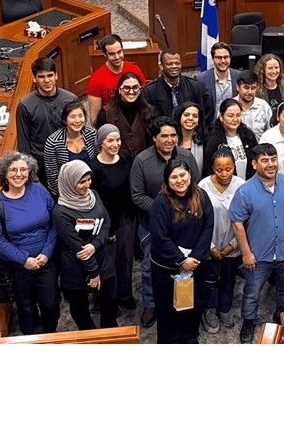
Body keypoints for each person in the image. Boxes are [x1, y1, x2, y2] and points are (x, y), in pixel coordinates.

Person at [230, 143, 284, 343]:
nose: (271, 164)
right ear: (255, 164)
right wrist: (246, 253)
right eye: (264, 160)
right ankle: (249, 321)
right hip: (257, 256)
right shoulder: (245, 191)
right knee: (252, 293)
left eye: (273, 159)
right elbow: (237, 224)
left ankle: (280, 319)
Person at [130, 117, 201, 328]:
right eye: (164, 136)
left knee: (183, 265)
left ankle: (183, 303)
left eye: (173, 135)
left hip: (184, 226)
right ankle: (151, 304)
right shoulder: (141, 161)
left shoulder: (186, 156)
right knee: (149, 267)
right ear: (154, 138)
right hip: (151, 226)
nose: (169, 140)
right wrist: (164, 211)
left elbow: (196, 187)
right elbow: (137, 195)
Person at [0, 152, 59, 335]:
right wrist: (24, 259)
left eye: (23, 169)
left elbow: (54, 223)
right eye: (13, 170)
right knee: (26, 308)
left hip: (46, 260)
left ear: (29, 171)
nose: (19, 174)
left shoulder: (39, 189)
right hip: (18, 266)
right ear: (4, 173)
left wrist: (46, 253)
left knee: (51, 304)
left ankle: (50, 335)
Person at [150, 160, 214, 343]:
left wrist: (194, 257)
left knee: (194, 304)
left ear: (190, 175)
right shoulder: (160, 203)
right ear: (167, 180)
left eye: (182, 175)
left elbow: (208, 227)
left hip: (195, 265)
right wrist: (181, 260)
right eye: (174, 177)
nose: (179, 180)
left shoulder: (201, 196)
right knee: (167, 307)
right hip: (167, 268)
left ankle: (190, 338)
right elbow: (159, 237)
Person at [52, 160, 115, 330]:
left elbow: (106, 222)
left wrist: (95, 245)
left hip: (103, 259)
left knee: (109, 302)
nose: (87, 185)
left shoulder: (94, 195)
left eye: (88, 180)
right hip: (77, 269)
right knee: (80, 309)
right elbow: (78, 247)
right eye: (81, 182)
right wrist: (93, 272)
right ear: (69, 182)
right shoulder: (60, 212)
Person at [197, 147, 245, 335]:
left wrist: (232, 246)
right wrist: (210, 247)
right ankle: (209, 310)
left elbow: (246, 219)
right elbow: (198, 219)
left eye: (228, 169)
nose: (224, 174)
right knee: (210, 280)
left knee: (228, 278)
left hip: (232, 245)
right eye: (219, 169)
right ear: (212, 168)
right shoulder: (203, 186)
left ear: (234, 167)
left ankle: (225, 308)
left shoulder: (241, 186)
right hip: (209, 245)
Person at [89, 124, 137, 310]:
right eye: (110, 140)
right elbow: (94, 199)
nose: (115, 144)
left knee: (125, 259)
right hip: (105, 222)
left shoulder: (125, 158)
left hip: (126, 218)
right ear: (101, 142)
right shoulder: (93, 167)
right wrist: (107, 228)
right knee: (107, 263)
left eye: (118, 140)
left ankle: (124, 294)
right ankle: (106, 300)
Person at [16, 57, 78, 185]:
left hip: (68, 157)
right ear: (34, 79)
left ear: (56, 76)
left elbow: (80, 130)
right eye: (41, 77)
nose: (47, 80)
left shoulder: (71, 100)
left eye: (50, 75)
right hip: (41, 163)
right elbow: (23, 143)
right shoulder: (25, 106)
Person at [142, 48, 213, 127]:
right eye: (169, 64)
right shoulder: (149, 91)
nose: (174, 66)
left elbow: (205, 114)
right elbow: (148, 120)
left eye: (177, 63)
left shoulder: (195, 86)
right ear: (161, 66)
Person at [87, 34, 146, 122]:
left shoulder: (135, 70)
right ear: (105, 54)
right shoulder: (96, 79)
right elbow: (94, 117)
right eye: (112, 54)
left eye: (119, 52)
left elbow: (144, 98)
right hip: (111, 121)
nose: (117, 57)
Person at [43, 100, 97, 196]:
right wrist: (71, 194)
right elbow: (53, 178)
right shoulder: (53, 142)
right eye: (73, 117)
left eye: (80, 116)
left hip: (91, 188)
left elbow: (97, 161)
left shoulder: (91, 134)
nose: (77, 120)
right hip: (66, 193)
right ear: (65, 120)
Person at [95, 71, 154, 159]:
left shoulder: (150, 111)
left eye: (135, 88)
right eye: (126, 88)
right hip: (116, 161)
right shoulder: (105, 113)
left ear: (140, 90)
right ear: (119, 89)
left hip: (144, 161)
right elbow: (100, 143)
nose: (131, 91)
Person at [203, 98, 258, 180]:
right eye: (230, 116)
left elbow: (256, 160)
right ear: (221, 117)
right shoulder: (213, 140)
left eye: (238, 115)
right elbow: (209, 168)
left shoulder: (248, 135)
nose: (235, 119)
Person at [196, 42, 240, 116]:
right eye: (219, 58)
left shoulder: (238, 76)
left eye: (226, 57)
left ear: (230, 58)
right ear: (213, 59)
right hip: (211, 123)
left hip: (234, 121)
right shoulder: (201, 79)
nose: (223, 61)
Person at [254, 53, 284, 123]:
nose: (274, 71)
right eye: (270, 68)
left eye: (276, 67)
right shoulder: (256, 88)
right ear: (263, 70)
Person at [235, 70, 272, 140]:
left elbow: (271, 132)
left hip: (259, 146)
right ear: (237, 87)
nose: (250, 92)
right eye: (246, 88)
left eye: (253, 88)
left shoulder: (264, 107)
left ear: (257, 88)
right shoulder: (230, 106)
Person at [174, 102, 205, 173]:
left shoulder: (204, 142)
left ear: (198, 121)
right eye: (186, 115)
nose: (190, 118)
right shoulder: (170, 140)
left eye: (195, 116)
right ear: (179, 117)